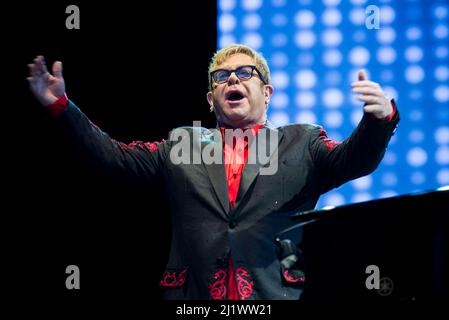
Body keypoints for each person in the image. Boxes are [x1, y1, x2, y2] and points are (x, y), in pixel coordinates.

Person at [27, 44, 399, 300]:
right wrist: (61, 107)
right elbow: (113, 156)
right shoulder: (181, 144)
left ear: (266, 92)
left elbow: (356, 159)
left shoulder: (302, 141)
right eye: (221, 77)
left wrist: (379, 120)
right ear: (210, 98)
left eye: (244, 73)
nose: (232, 80)